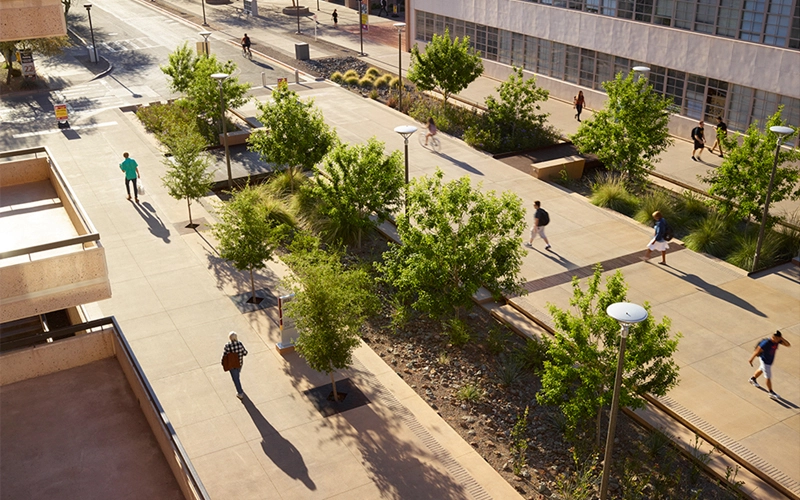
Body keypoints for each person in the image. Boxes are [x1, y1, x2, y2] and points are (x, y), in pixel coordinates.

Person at [749, 331, 791, 400]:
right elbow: (757, 350)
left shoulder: (777, 341)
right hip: (765, 361)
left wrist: (781, 339)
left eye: (779, 339)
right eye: (777, 338)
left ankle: (752, 379)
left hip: (769, 360)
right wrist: (751, 359)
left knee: (761, 369)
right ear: (773, 337)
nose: (778, 340)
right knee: (768, 376)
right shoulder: (766, 343)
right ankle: (771, 392)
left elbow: (788, 345)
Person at [222, 332, 248, 399]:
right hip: (239, 363)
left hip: (231, 365)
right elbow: (245, 353)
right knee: (237, 376)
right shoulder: (239, 344)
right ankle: (239, 389)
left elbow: (225, 355)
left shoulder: (227, 346)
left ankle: (240, 393)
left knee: (235, 379)